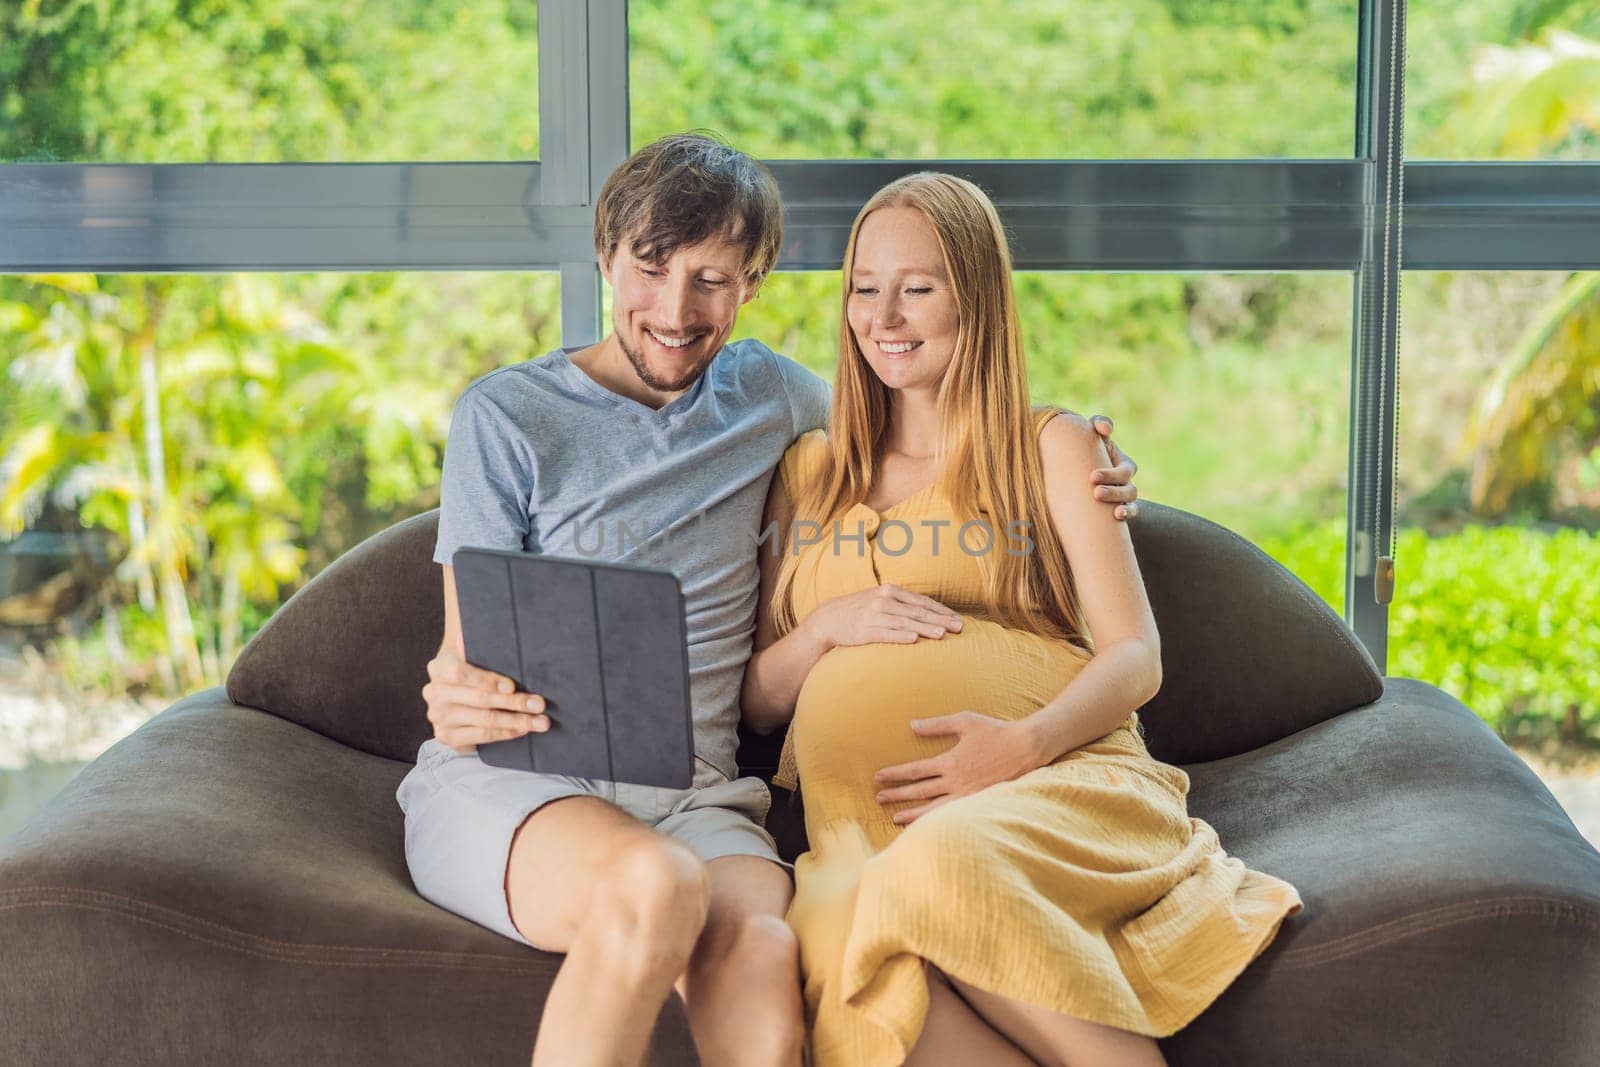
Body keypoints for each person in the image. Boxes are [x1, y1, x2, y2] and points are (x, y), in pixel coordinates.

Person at [393, 133, 1143, 1067]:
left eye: (712, 278)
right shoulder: (506, 416)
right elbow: (468, 650)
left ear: (753, 284)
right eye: (650, 267)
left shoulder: (776, 399)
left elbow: (927, 414)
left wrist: (1093, 453)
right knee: (658, 884)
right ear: (604, 257)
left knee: (764, 947)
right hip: (522, 781)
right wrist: (457, 690)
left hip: (698, 795)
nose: (674, 310)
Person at [741, 172, 1305, 1067]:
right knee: (859, 959)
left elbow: (1135, 654)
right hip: (857, 836)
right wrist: (823, 630)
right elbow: (761, 702)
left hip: (1048, 786)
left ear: (976, 296)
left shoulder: (1051, 445)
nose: (884, 316)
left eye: (917, 288)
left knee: (937, 866)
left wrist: (1019, 746)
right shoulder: (811, 470)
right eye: (864, 287)